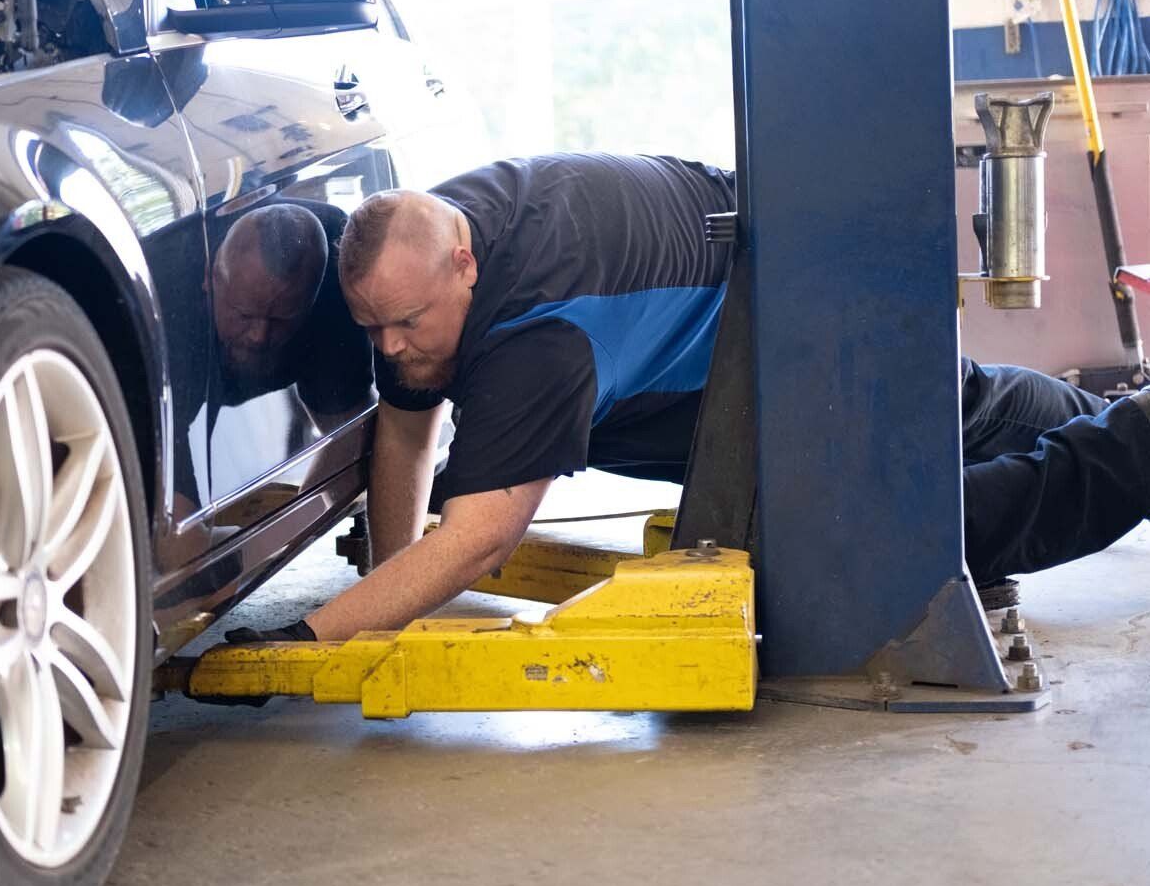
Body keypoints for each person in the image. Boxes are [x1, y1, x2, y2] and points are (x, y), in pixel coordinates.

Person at [226, 152, 1150, 644]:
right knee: (971, 407)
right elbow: (405, 415)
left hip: (814, 335)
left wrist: (307, 637)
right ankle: (1108, 426)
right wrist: (387, 595)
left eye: (404, 326)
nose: (389, 347)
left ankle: (1136, 445)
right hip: (755, 295)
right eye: (372, 328)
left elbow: (479, 537)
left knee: (878, 548)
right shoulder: (430, 243)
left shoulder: (538, 337)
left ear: (465, 265)